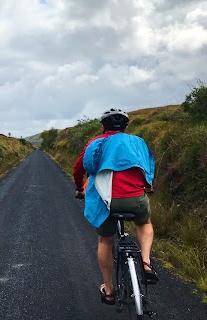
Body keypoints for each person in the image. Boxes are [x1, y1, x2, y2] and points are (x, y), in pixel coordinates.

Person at [73, 108, 159, 305]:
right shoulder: (138, 142)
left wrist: (79, 188)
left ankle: (109, 291)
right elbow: (148, 166)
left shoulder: (96, 142)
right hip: (135, 198)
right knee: (144, 224)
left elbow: (80, 168)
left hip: (106, 200)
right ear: (126, 127)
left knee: (105, 241)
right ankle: (146, 264)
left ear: (104, 126)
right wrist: (148, 185)